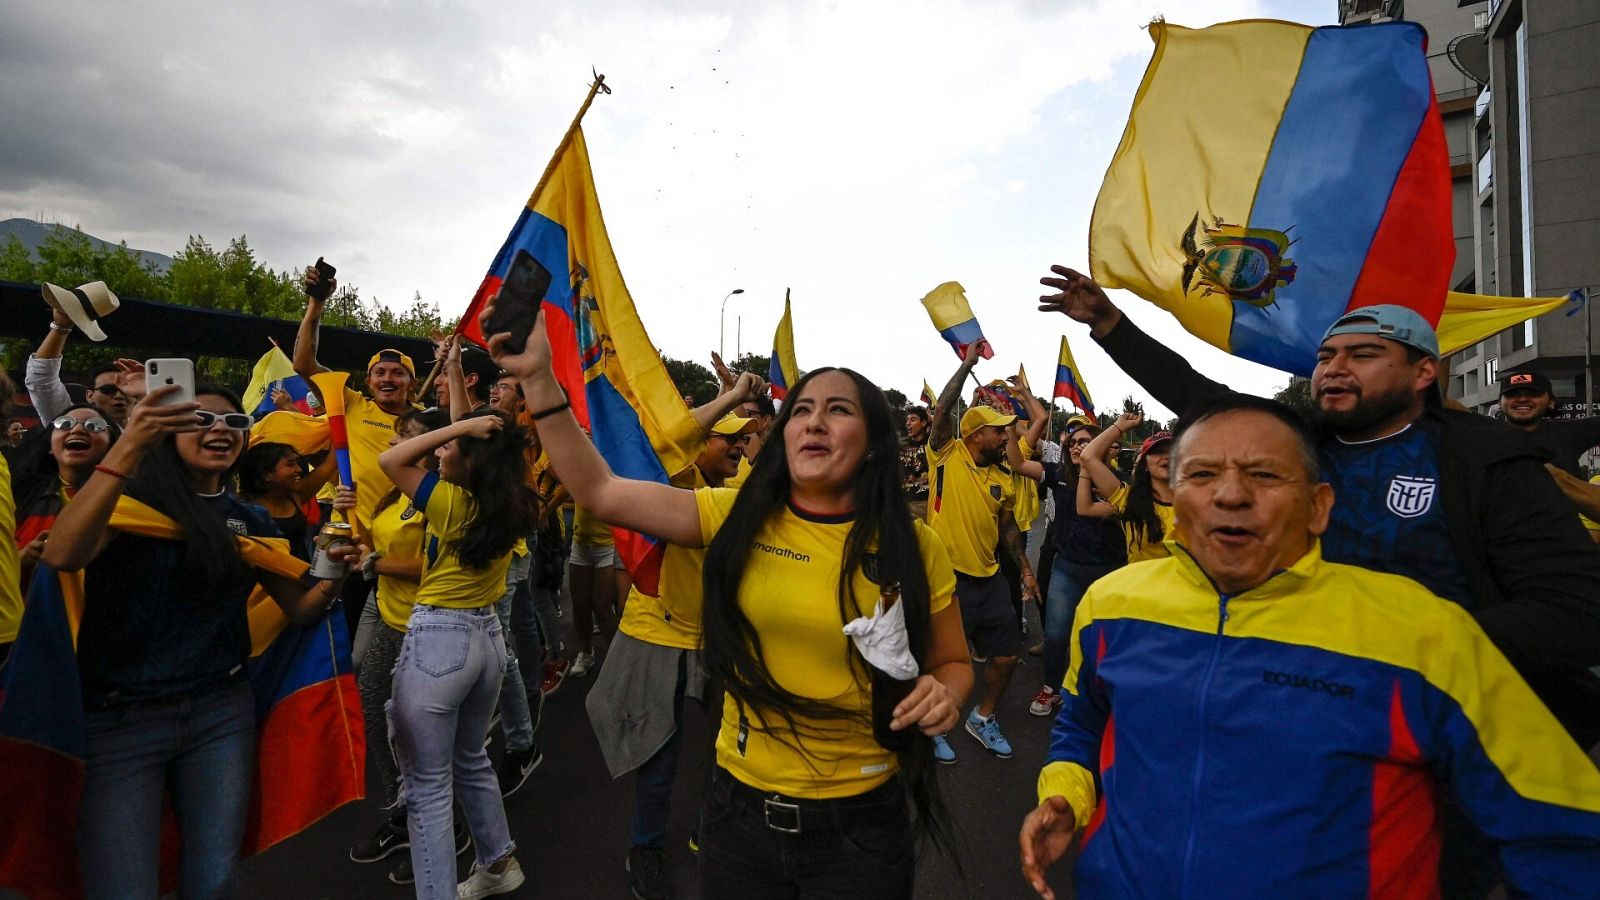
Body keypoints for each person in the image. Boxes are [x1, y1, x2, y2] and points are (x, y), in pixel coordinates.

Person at [1019, 394, 1600, 899]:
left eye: (1264, 475)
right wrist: (1066, 792)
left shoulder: (1422, 630)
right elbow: (1082, 724)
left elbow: (1561, 827)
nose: (1230, 495)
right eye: (1201, 474)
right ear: (1174, 495)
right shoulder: (1111, 604)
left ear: (1319, 506)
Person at [485, 302, 972, 899]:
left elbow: (954, 663)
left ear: (873, 444)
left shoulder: (913, 546)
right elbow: (599, 489)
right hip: (740, 819)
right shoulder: (737, 513)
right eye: (801, 410)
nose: (814, 422)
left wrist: (945, 695)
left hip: (863, 825)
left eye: (838, 409)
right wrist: (539, 380)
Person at [1038, 266, 1600, 752]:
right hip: (1328, 717)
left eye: (1364, 354)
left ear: (1423, 372)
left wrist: (1407, 643)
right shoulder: (1303, 440)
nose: (1334, 367)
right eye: (1326, 356)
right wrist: (1110, 325)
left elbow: (1576, 610)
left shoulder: (1486, 458)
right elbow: (1196, 393)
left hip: (1468, 731)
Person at [42, 383, 354, 897]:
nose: (220, 430)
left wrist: (335, 572)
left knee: (215, 882)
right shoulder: (126, 502)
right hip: (121, 720)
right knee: (124, 888)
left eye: (234, 422)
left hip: (220, 713)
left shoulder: (251, 520)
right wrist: (130, 442)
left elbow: (301, 610)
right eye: (201, 419)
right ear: (169, 432)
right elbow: (62, 555)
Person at [585, 410, 758, 900]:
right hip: (658, 634)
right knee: (659, 756)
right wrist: (730, 397)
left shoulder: (740, 486)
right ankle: (645, 848)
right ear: (699, 444)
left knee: (731, 747)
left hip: (718, 637)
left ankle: (708, 827)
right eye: (728, 439)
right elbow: (662, 440)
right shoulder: (669, 478)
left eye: (743, 440)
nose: (739, 447)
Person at [377, 408, 536, 899]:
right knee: (470, 759)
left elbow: (391, 460)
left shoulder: (452, 503)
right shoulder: (511, 503)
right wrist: (466, 428)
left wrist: (463, 428)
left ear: (472, 460)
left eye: (447, 447)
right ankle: (498, 863)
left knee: (427, 789)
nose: (438, 452)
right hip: (487, 641)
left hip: (439, 645)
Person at [344, 407, 463, 887]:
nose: (393, 443)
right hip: (388, 614)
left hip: (423, 626)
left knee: (421, 732)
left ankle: (443, 828)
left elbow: (437, 567)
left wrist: (374, 564)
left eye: (406, 437)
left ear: (430, 448)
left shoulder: (444, 498)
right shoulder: (396, 492)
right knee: (377, 714)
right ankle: (404, 811)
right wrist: (350, 516)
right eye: (396, 436)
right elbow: (374, 546)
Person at [924, 341, 1035, 763]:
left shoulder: (1003, 477)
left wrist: (1025, 569)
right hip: (947, 579)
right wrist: (967, 362)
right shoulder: (946, 455)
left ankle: (982, 717)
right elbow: (941, 412)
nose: (1006, 436)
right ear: (975, 435)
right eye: (998, 430)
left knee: (1007, 655)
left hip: (990, 580)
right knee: (941, 661)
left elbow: (1007, 527)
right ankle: (933, 726)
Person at [1010, 415, 1126, 718]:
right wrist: (1010, 429)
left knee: (1102, 638)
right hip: (1067, 569)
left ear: (1100, 446)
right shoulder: (1059, 473)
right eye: (1072, 442)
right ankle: (1051, 688)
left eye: (1084, 442)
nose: (1076, 446)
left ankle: (1100, 694)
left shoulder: (1117, 482)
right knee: (1057, 635)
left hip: (1108, 572)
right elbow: (1018, 464)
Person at [8, 405, 122, 601]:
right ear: (49, 446)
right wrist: (21, 558)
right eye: (65, 424)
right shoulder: (17, 496)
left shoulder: (131, 501)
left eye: (94, 425)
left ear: (112, 446)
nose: (78, 429)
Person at [1077, 411, 1176, 562]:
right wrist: (1119, 427)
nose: (1167, 457)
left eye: (1174, 452)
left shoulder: (1197, 500)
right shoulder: (1130, 499)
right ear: (1145, 464)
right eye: (1159, 452)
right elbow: (1088, 456)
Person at [237, 441, 336, 561]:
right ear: (266, 474)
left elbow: (328, 466)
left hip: (299, 571)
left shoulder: (296, 496)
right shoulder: (238, 507)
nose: (299, 469)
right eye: (290, 464)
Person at [1497, 370, 1600, 477]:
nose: (1523, 399)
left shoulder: (1568, 433)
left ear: (1551, 402)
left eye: (1533, 394)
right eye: (1512, 394)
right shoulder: (1487, 438)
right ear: (1499, 402)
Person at [899, 406, 933, 519]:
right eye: (907, 420)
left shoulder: (932, 444)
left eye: (913, 420)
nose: (908, 423)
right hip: (903, 503)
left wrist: (932, 419)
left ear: (923, 423)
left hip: (927, 503)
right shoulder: (901, 445)